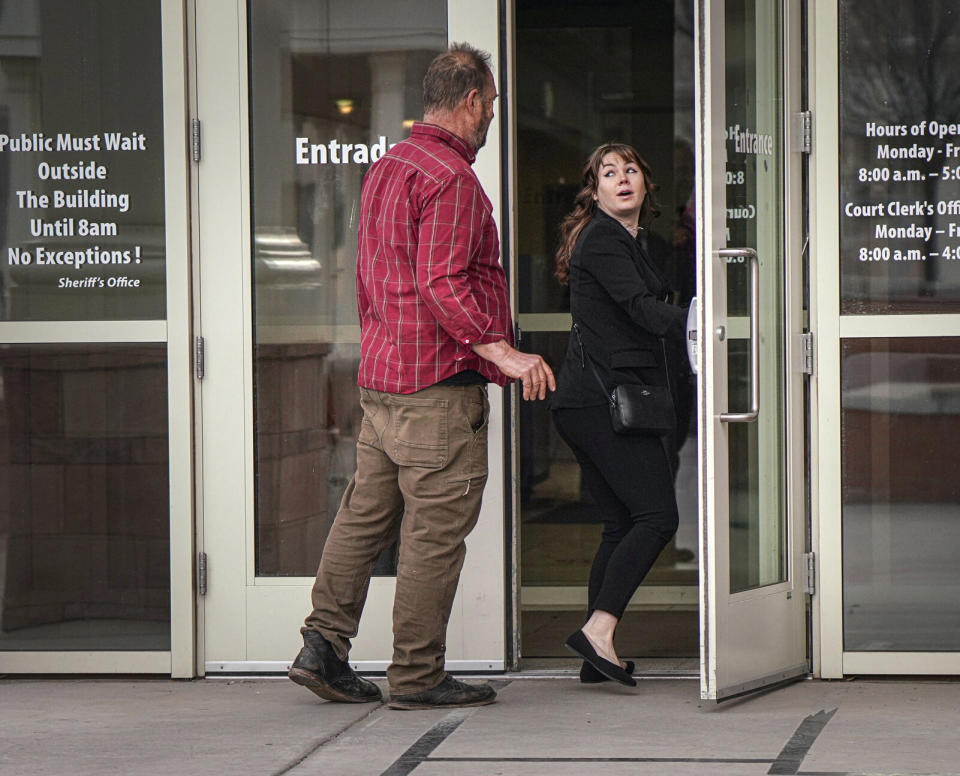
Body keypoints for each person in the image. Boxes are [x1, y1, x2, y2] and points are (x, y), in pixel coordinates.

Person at [288, 43, 555, 711]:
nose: (492, 115)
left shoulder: (389, 167)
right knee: (434, 535)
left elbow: (374, 274)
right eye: (491, 104)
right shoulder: (452, 179)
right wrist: (503, 353)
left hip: (383, 382)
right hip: (436, 388)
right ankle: (417, 675)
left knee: (362, 518)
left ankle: (322, 645)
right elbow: (442, 282)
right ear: (470, 102)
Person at [550, 143, 686, 686]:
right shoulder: (604, 239)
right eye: (610, 173)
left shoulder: (636, 241)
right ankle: (599, 631)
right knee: (658, 517)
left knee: (620, 524)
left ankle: (594, 659)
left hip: (589, 402)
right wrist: (702, 323)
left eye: (632, 169)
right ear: (596, 190)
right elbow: (640, 309)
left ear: (646, 184)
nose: (622, 178)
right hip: (600, 403)